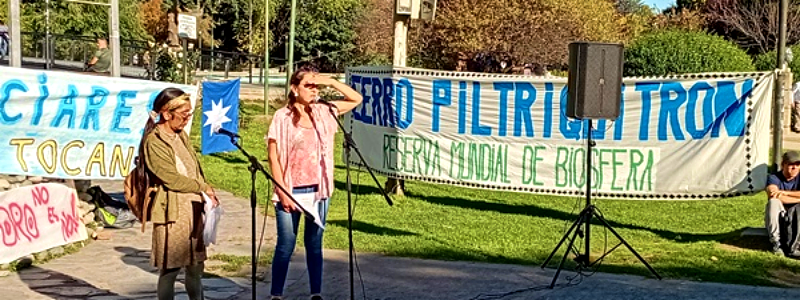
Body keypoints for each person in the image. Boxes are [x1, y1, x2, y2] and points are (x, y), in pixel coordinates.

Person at [266, 65, 363, 300]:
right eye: (308, 85)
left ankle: (315, 293)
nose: (313, 90)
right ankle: (276, 294)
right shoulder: (283, 117)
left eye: (315, 86)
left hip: (318, 190)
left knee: (314, 243)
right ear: (294, 88)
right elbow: (273, 155)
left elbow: (356, 98)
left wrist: (330, 81)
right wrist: (281, 188)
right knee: (286, 244)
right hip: (290, 189)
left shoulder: (324, 111)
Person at [133, 87, 219, 300]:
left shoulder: (181, 136)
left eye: (189, 114)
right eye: (183, 114)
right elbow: (170, 178)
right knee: (170, 270)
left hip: (194, 210)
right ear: (166, 113)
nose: (186, 119)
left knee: (196, 267)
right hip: (173, 213)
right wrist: (202, 187)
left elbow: (193, 168)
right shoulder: (155, 141)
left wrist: (206, 191)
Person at [766, 150, 800, 256]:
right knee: (773, 202)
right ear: (783, 164)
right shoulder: (774, 177)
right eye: (791, 164)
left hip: (797, 213)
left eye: (797, 164)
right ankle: (776, 242)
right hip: (781, 213)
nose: (794, 167)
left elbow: (780, 194)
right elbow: (773, 194)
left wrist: (784, 193)